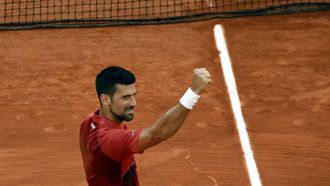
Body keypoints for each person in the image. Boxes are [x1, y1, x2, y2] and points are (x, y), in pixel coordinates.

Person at [79, 66, 211, 186]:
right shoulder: (108, 140)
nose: (133, 103)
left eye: (133, 95)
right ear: (105, 99)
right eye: (125, 97)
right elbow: (157, 134)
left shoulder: (89, 121)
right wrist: (193, 92)